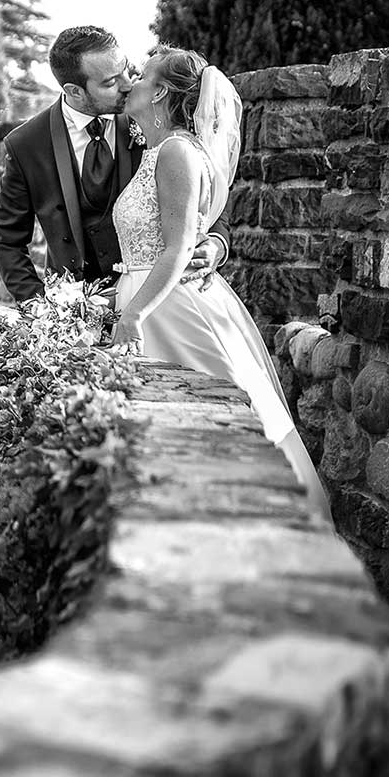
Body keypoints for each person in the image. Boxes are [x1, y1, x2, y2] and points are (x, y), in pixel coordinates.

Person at [108, 46, 333, 523]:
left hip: (170, 312)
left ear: (162, 92)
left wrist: (132, 315)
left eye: (142, 77)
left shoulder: (174, 152)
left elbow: (177, 248)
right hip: (159, 303)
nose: (132, 83)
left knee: (220, 419)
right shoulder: (162, 149)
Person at [0, 25, 229, 305]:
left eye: (126, 70)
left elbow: (206, 192)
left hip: (154, 298)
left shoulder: (153, 122)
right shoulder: (27, 143)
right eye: (110, 82)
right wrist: (41, 307)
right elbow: (7, 239)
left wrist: (216, 244)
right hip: (75, 308)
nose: (127, 84)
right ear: (75, 91)